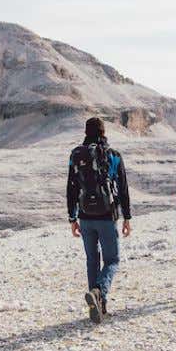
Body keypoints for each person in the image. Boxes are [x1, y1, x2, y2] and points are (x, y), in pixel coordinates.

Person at [67, 117, 132, 322]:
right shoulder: (113, 155)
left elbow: (71, 187)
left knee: (92, 260)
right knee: (112, 260)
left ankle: (98, 307)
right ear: (104, 132)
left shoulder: (76, 155)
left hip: (85, 217)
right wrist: (127, 218)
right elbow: (123, 189)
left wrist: (72, 218)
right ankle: (99, 292)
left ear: (86, 132)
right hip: (107, 216)